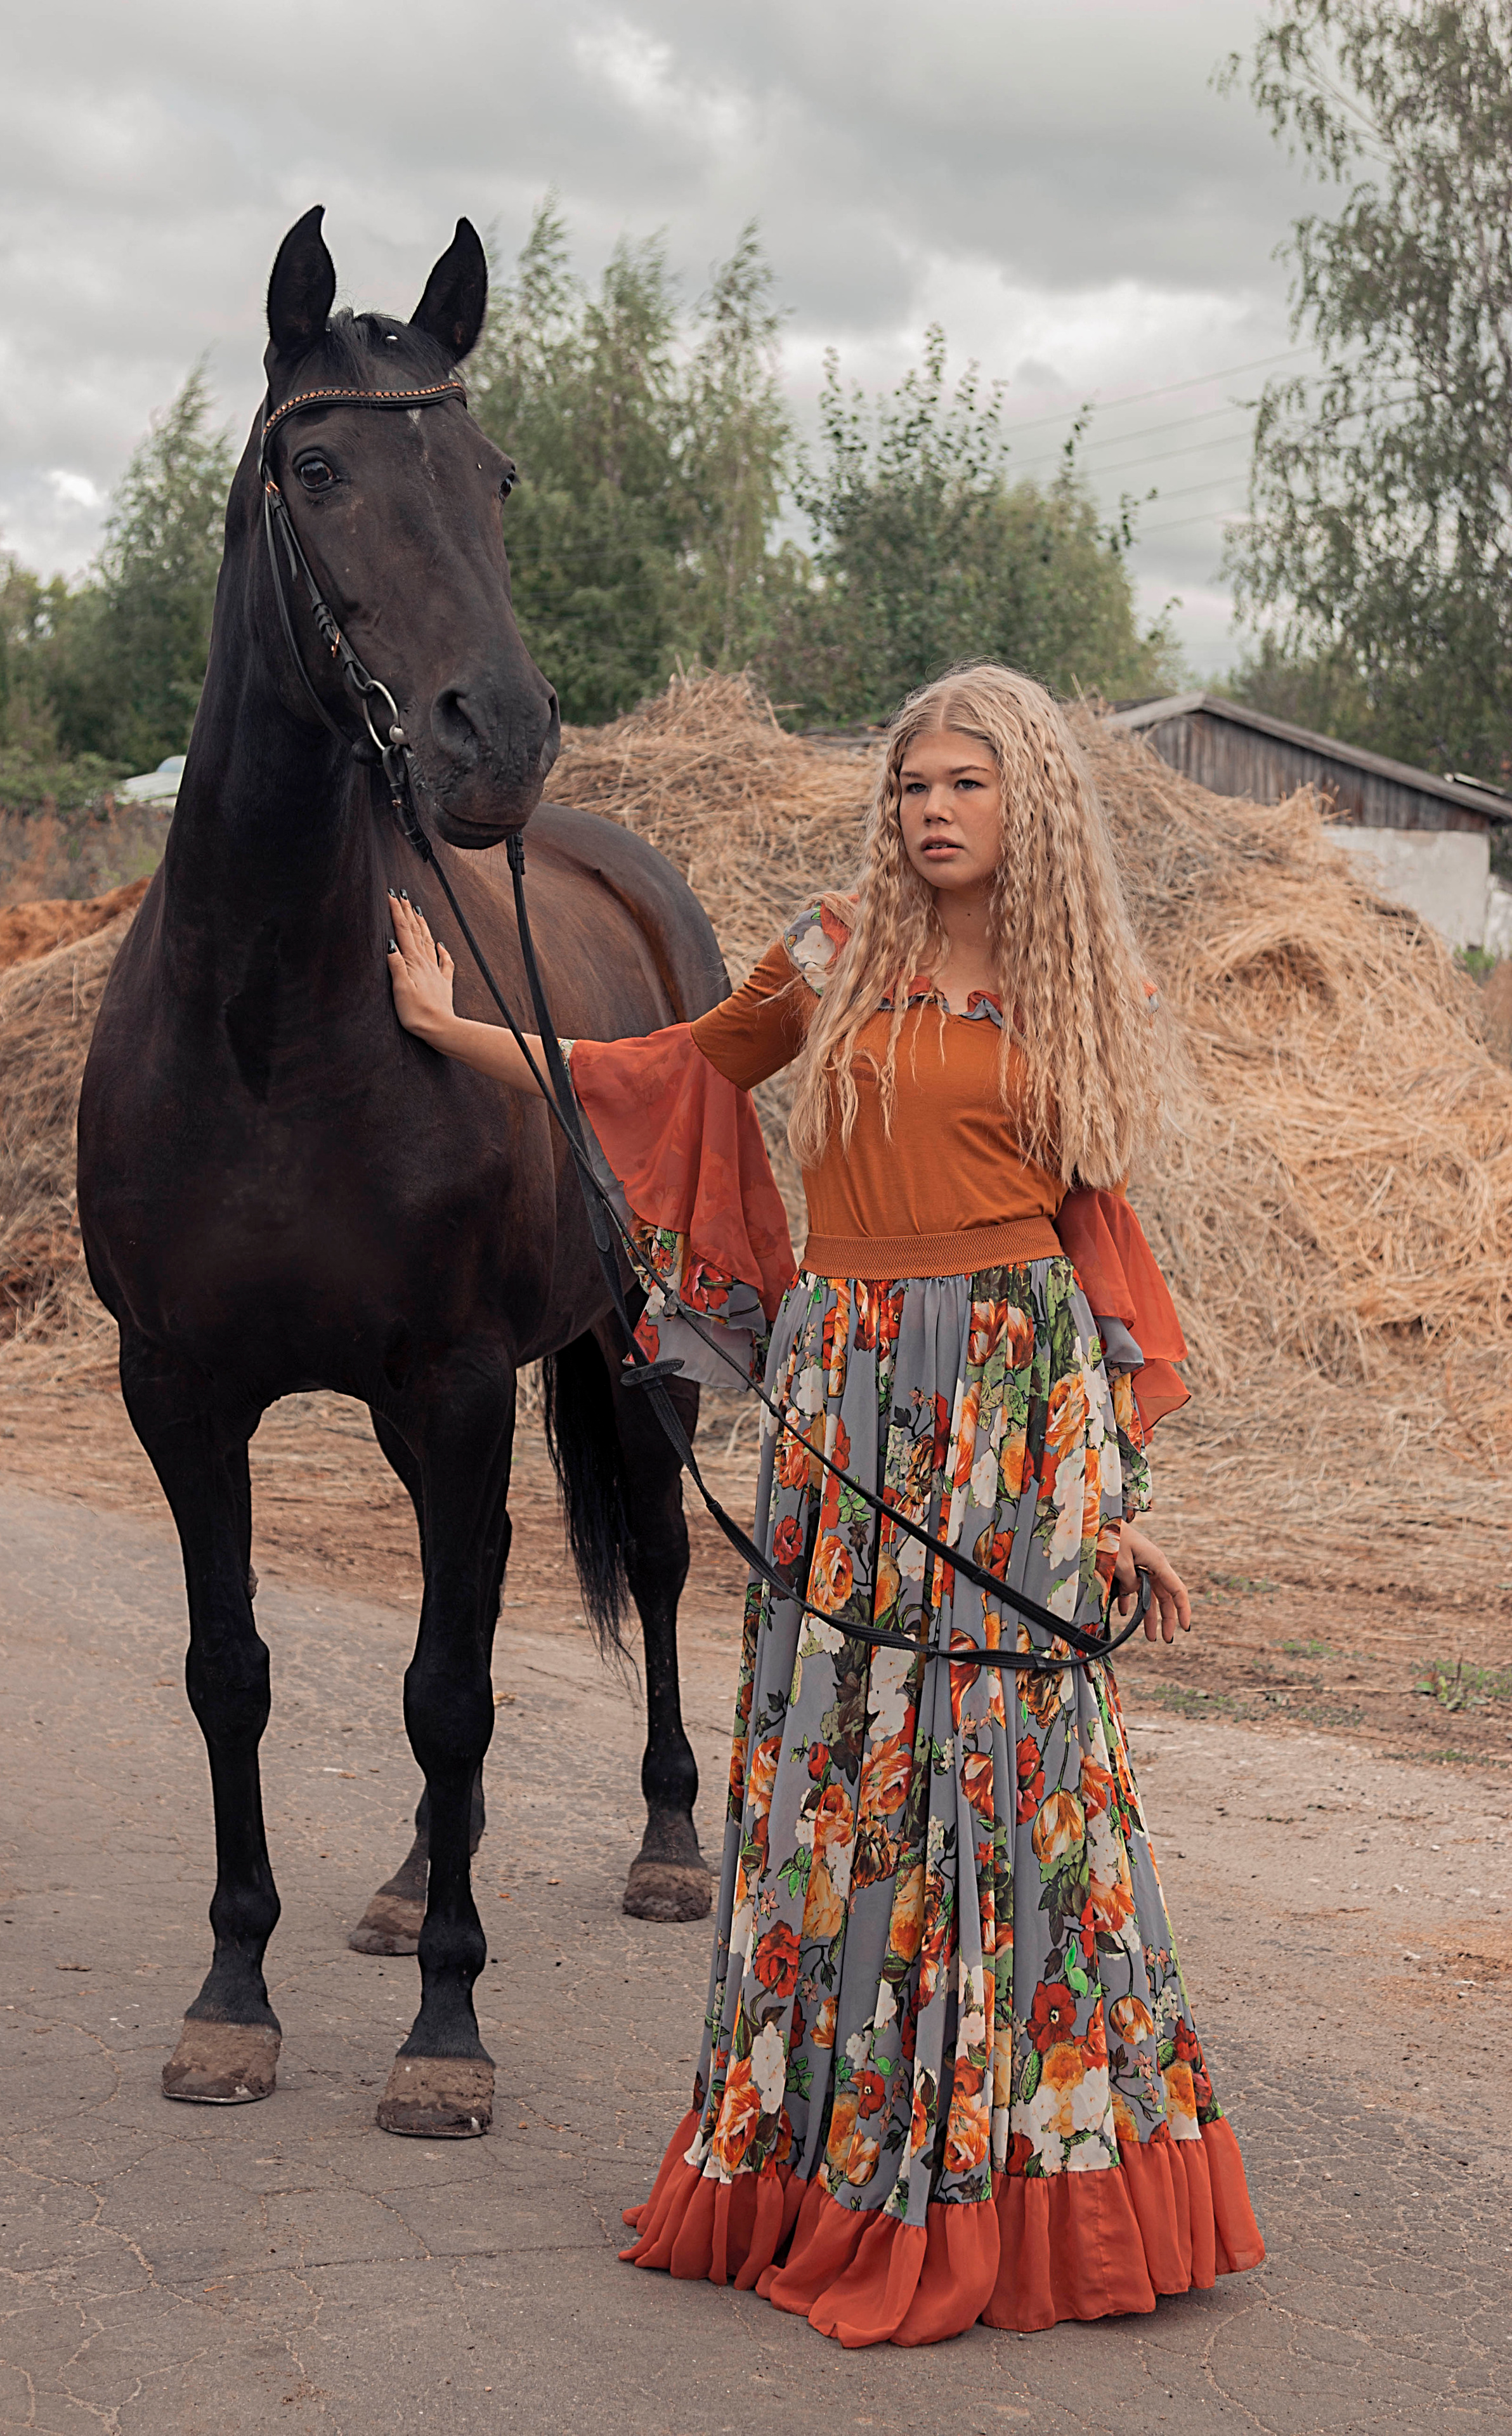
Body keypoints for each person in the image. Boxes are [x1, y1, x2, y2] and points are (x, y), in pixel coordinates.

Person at [383, 660, 1265, 2349]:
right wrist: (442, 1026)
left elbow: (1099, 1264)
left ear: (1034, 810)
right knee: (842, 1786)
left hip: (1013, 1416)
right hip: (850, 1395)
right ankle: (845, 2160)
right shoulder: (832, 952)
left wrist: (1115, 1499)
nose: (931, 810)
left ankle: (1038, 2182)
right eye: (914, 784)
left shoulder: (1084, 993)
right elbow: (659, 1074)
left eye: (967, 786)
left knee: (1020, 1797)